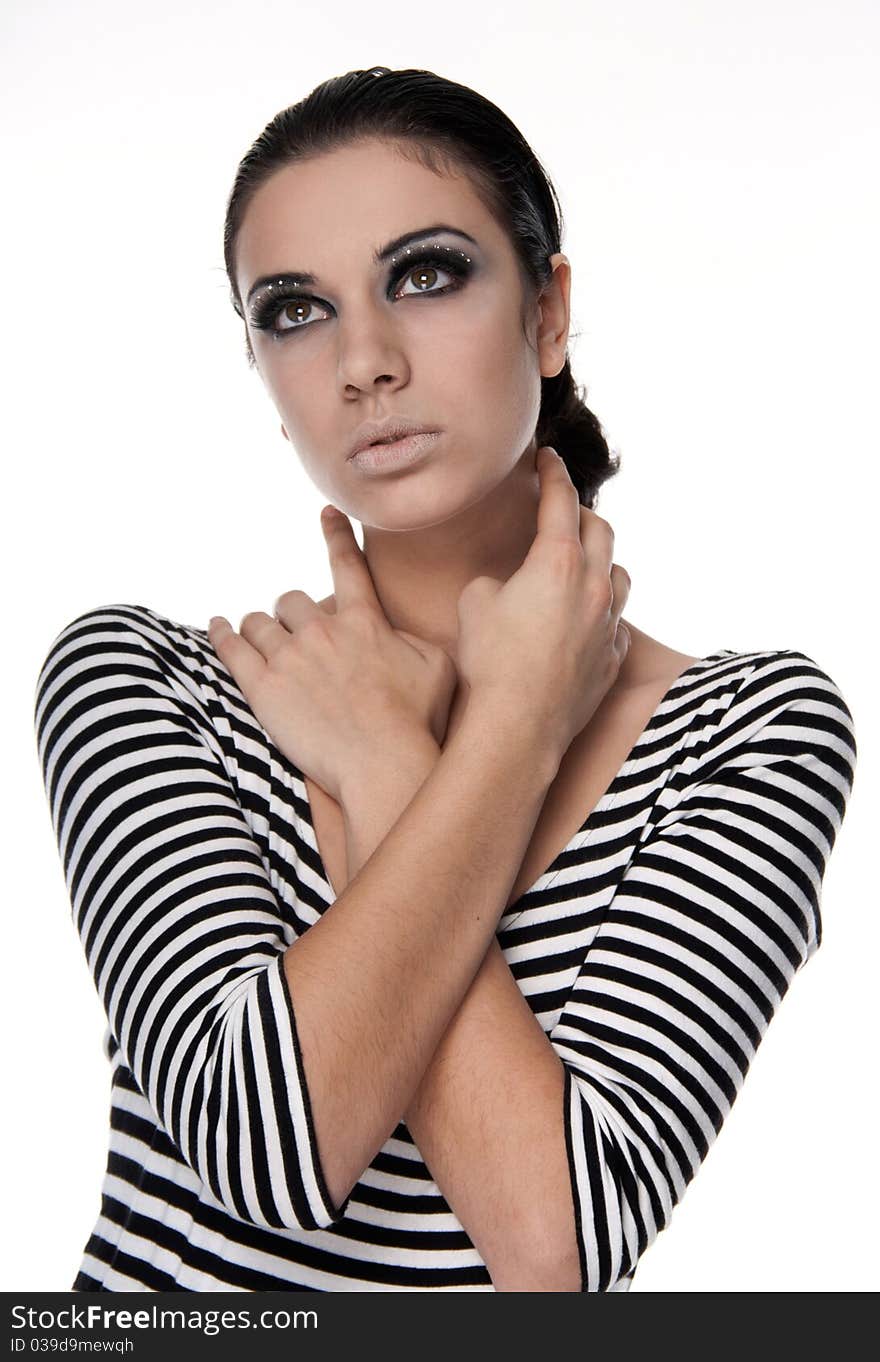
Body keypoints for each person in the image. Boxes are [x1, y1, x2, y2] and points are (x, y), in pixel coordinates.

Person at [33, 67, 857, 1294]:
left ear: (547, 313)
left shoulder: (749, 733)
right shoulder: (146, 684)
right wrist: (499, 742)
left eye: (424, 275)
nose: (362, 361)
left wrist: (403, 762)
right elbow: (262, 1155)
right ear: (263, 375)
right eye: (295, 310)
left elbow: (554, 1246)